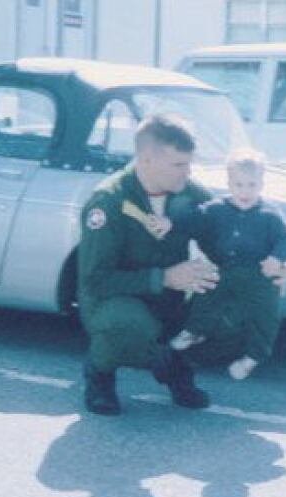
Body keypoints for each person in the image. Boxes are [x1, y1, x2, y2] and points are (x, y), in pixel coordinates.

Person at [77, 114, 221, 415]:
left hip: (170, 299)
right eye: (178, 165)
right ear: (146, 160)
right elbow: (95, 281)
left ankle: (175, 367)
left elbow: (223, 234)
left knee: (231, 299)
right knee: (128, 324)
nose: (187, 172)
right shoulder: (109, 202)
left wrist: (268, 262)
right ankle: (100, 375)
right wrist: (164, 278)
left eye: (188, 163)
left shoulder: (189, 193)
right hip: (116, 300)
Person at [169, 147, 286, 380]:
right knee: (206, 292)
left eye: (252, 185)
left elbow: (285, 238)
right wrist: (170, 224)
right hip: (226, 268)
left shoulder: (270, 213)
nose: (245, 192)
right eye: (239, 185)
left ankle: (253, 357)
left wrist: (277, 258)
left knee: (265, 314)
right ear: (229, 182)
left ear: (261, 184)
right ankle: (194, 331)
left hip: (260, 275)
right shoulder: (217, 208)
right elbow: (193, 219)